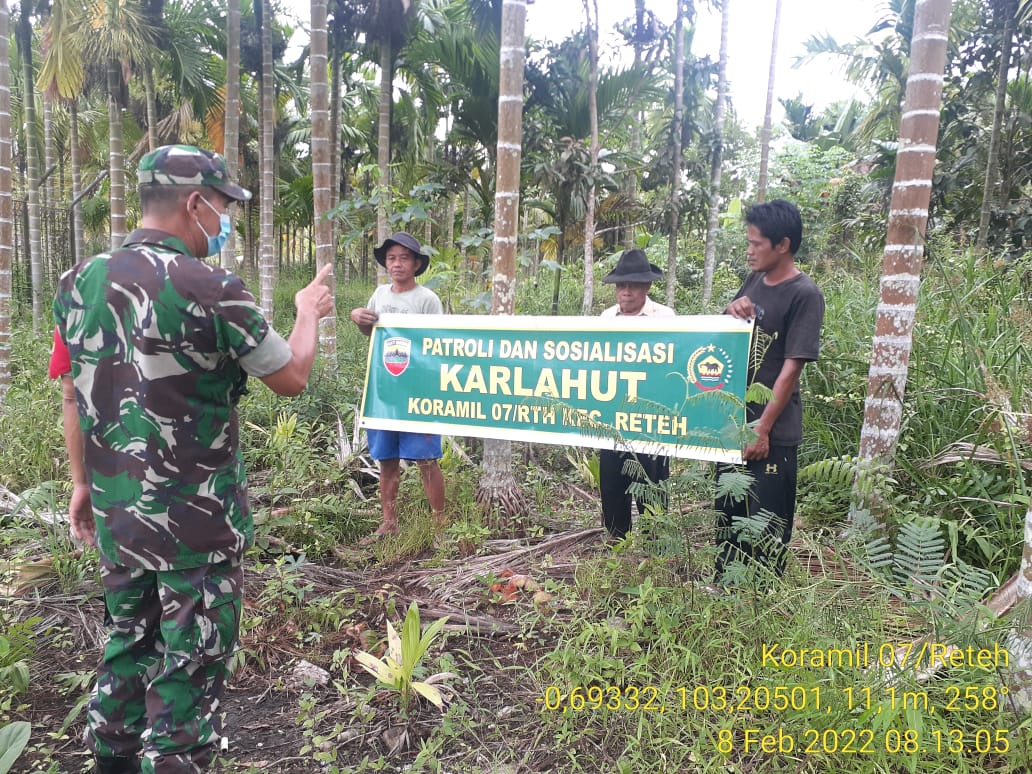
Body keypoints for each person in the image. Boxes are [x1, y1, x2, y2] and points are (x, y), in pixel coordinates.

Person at [49, 144, 334, 774]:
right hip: (196, 527)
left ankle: (113, 762)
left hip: (118, 513)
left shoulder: (79, 282)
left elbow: (71, 392)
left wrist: (80, 484)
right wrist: (306, 313)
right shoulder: (212, 288)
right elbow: (291, 376)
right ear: (195, 202)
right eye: (225, 206)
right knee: (191, 667)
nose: (226, 220)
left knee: (126, 647)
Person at [714, 199, 825, 582]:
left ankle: (762, 598)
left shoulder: (804, 294)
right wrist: (732, 308)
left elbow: (791, 369)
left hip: (772, 431)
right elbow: (729, 332)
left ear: (783, 244)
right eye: (748, 242)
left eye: (757, 243)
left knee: (766, 519)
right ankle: (725, 591)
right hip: (733, 422)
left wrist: (763, 428)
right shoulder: (755, 280)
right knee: (728, 513)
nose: (749, 250)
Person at [350, 231, 446, 543]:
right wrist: (358, 318)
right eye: (391, 258)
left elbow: (439, 343)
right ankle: (389, 521)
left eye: (404, 258)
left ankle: (439, 524)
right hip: (383, 391)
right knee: (386, 459)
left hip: (418, 392)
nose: (397, 263)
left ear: (417, 264)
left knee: (426, 459)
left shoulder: (427, 300)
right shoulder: (380, 295)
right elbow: (371, 334)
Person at [598, 248, 675, 539]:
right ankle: (617, 545)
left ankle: (656, 548)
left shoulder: (665, 318)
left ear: (646, 287)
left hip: (651, 422)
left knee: (652, 487)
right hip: (612, 420)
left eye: (632, 286)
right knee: (612, 486)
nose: (625, 292)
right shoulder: (606, 318)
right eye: (621, 285)